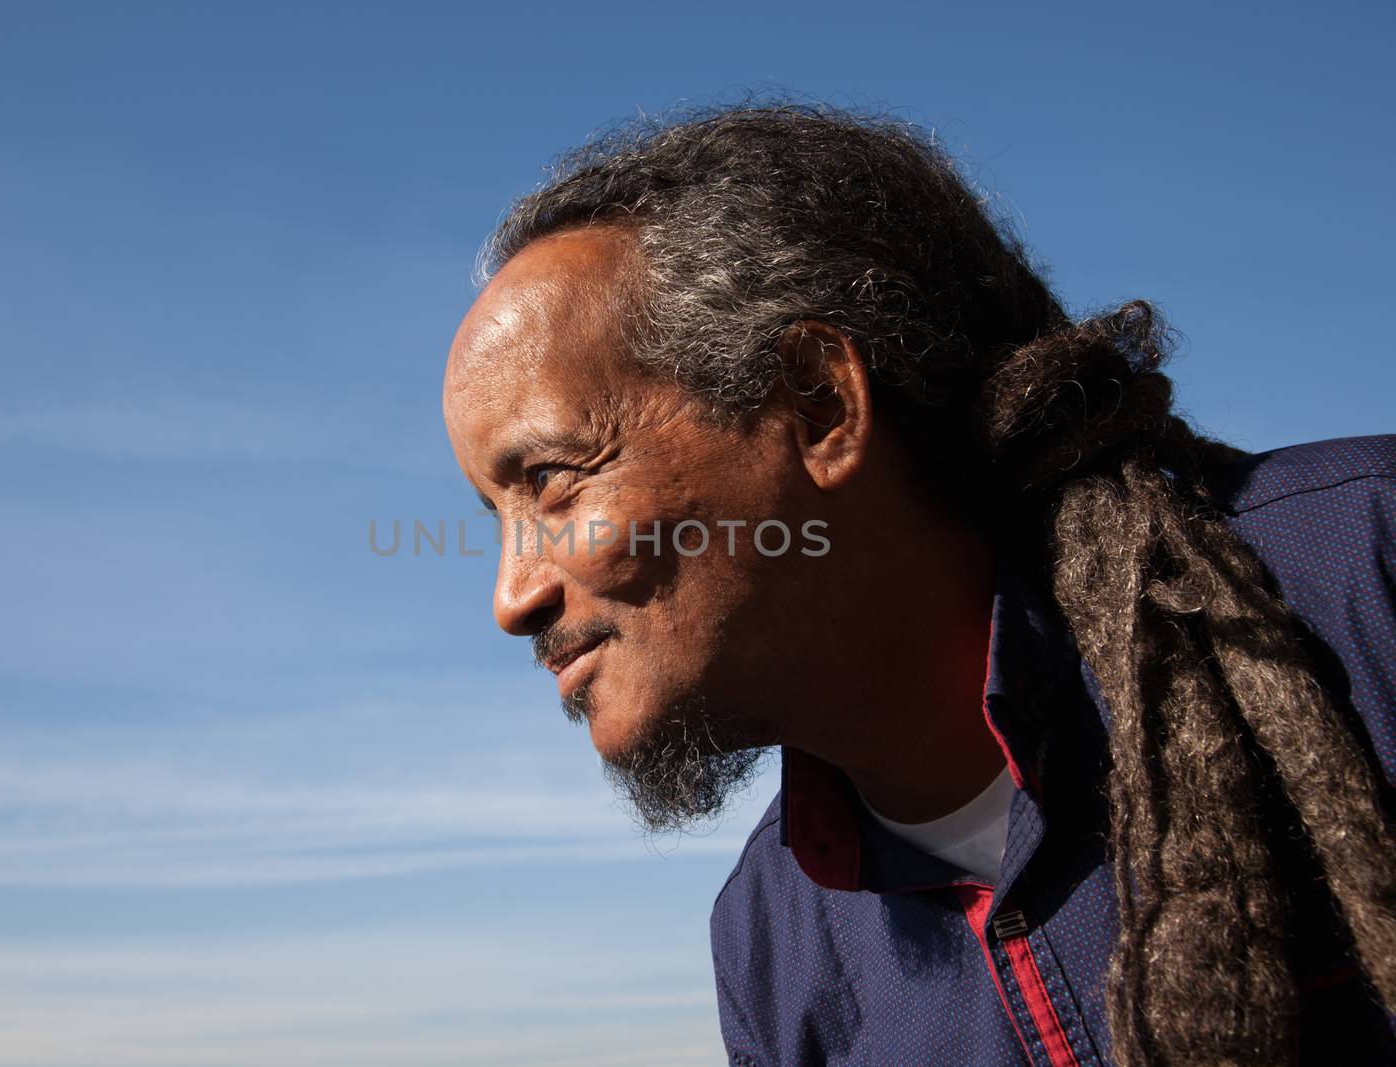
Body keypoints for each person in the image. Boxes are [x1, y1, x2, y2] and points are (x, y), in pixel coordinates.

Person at [440, 105, 1396, 1065]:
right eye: (495, 517)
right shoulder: (774, 948)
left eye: (554, 481)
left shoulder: (1359, 584)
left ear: (821, 405)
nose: (511, 597)